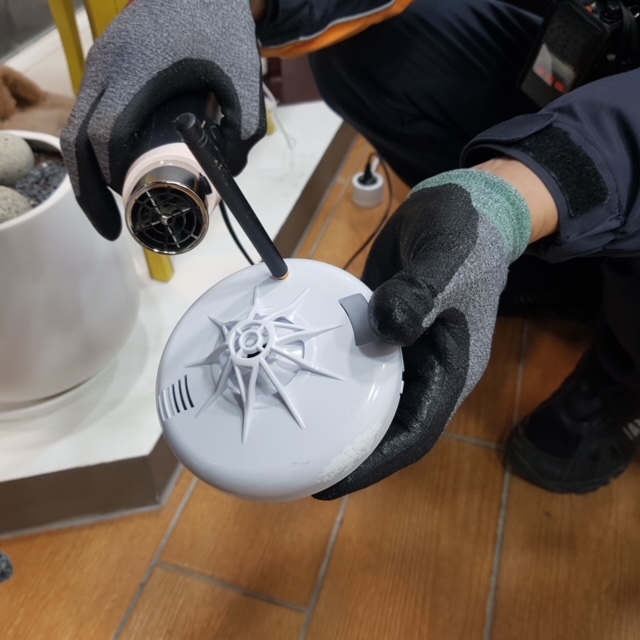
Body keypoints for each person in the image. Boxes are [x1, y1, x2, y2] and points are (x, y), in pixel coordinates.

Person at [60, 0, 640, 500]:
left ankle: (621, 377)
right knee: (369, 53)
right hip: (586, 37)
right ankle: (544, 270)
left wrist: (509, 200)